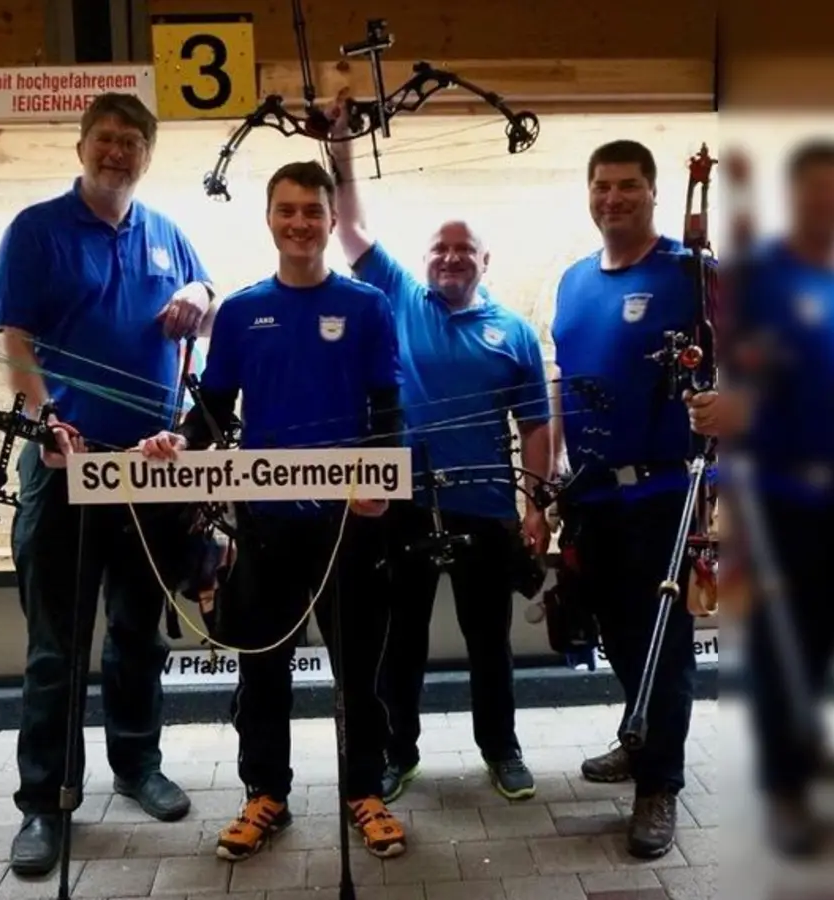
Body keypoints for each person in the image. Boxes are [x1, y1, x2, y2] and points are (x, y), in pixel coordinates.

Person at [138, 161, 408, 862]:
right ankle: (266, 795)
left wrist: (380, 477)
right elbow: (212, 412)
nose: (299, 223)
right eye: (286, 210)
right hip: (262, 525)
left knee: (359, 666)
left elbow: (388, 409)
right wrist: (180, 439)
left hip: (349, 522)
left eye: (312, 212)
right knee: (261, 665)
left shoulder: (368, 306)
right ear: (269, 219)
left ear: (328, 219)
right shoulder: (241, 312)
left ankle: (363, 791)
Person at [0, 92, 216, 876]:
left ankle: (137, 767)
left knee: (137, 634)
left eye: (132, 142)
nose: (118, 152)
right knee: (55, 648)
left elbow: (208, 300)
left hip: (149, 467)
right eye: (106, 139)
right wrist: (46, 421)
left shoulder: (167, 234)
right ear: (82, 147)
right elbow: (15, 340)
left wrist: (200, 297)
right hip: (65, 465)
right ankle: (44, 804)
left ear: (148, 155)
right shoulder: (37, 231)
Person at [320, 103, 551, 803]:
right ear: (424, 259)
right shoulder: (395, 294)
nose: (451, 258)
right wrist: (341, 151)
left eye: (465, 250)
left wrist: (535, 503)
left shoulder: (512, 331)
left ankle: (501, 749)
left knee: (490, 641)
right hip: (404, 504)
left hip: (483, 509)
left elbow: (538, 424)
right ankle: (399, 753)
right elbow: (353, 228)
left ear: (485, 260)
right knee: (402, 641)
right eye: (440, 249)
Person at [689, 138, 834, 857]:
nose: (829, 203)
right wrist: (737, 406)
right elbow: (735, 370)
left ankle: (808, 741)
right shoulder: (759, 280)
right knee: (785, 643)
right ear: (798, 197)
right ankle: (786, 788)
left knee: (830, 634)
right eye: (815, 190)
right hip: (784, 499)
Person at [548, 139, 708, 860]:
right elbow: (564, 380)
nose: (613, 198)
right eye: (602, 186)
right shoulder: (574, 281)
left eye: (628, 186)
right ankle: (636, 734)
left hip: (661, 491)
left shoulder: (694, 273)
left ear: (652, 192)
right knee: (614, 631)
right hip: (591, 496)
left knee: (660, 645)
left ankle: (659, 785)